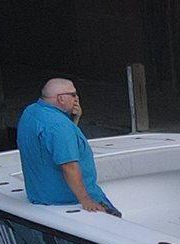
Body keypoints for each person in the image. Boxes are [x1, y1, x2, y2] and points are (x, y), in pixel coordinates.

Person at [17, 77, 118, 215]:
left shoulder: (31, 111)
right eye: (73, 94)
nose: (77, 98)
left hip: (39, 195)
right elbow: (69, 166)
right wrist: (86, 200)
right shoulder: (59, 126)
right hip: (67, 199)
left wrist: (73, 120)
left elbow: (55, 144)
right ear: (61, 99)